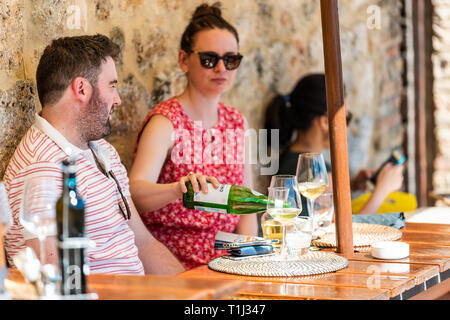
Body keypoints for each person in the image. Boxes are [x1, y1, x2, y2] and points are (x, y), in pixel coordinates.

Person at [3, 34, 185, 275]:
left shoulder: (100, 149)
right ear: (81, 89)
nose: (118, 99)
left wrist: (196, 294)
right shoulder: (43, 169)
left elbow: (145, 245)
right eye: (112, 85)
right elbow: (55, 285)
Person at [129, 2, 257, 270]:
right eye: (209, 59)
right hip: (176, 266)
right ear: (184, 60)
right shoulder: (166, 122)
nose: (222, 68)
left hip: (230, 264)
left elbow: (246, 205)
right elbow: (134, 194)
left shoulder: (236, 121)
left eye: (231, 60)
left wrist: (252, 262)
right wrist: (178, 188)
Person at [265, 73, 404, 215]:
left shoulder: (293, 159)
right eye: (346, 118)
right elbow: (347, 233)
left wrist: (353, 184)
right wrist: (383, 189)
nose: (347, 127)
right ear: (325, 122)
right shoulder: (308, 171)